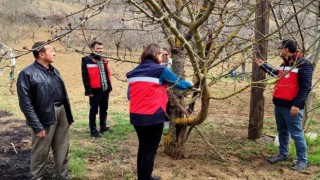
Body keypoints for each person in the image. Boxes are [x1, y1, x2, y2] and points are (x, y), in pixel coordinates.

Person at [126, 44, 193, 180]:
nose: (163, 57)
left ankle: (144, 177)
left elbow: (129, 95)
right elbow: (180, 84)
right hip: (153, 116)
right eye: (161, 54)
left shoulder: (134, 72)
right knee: (150, 150)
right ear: (155, 54)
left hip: (136, 116)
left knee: (143, 148)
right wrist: (191, 83)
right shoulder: (160, 70)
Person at [16, 41, 74, 179]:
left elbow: (63, 94)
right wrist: (36, 125)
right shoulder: (27, 73)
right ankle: (36, 178)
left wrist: (68, 116)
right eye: (51, 50)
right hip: (43, 116)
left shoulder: (55, 71)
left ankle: (63, 176)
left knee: (62, 149)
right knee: (40, 153)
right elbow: (25, 104)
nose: (54, 53)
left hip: (61, 113)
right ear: (41, 54)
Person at [255, 39, 313, 171]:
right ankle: (283, 154)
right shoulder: (285, 64)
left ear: (286, 50)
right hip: (280, 105)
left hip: (292, 107)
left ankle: (302, 161)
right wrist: (263, 66)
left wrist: (297, 105)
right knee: (282, 132)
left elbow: (305, 88)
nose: (278, 50)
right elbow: (278, 75)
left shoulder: (303, 64)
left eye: (279, 48)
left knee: (296, 134)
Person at [81, 40, 112, 138]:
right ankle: (93, 130)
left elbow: (106, 74)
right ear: (92, 49)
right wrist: (88, 91)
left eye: (101, 48)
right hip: (95, 90)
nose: (100, 50)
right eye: (98, 48)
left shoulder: (104, 59)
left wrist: (109, 87)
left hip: (105, 89)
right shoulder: (87, 60)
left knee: (104, 109)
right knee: (94, 110)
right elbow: (85, 77)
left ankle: (103, 126)